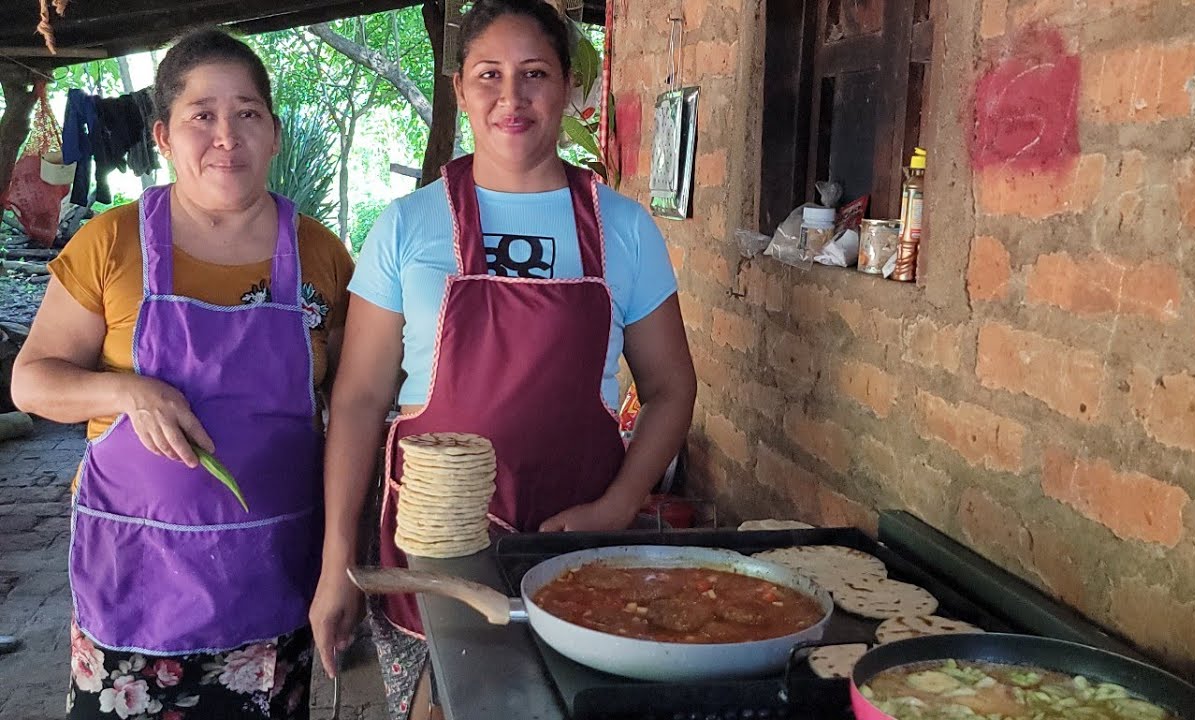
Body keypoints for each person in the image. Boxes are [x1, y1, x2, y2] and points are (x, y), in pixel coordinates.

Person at [307, 0, 697, 717]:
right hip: (432, 551)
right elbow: (359, 400)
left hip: (576, 544)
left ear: (571, 91)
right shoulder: (408, 224)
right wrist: (338, 565)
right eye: (489, 74)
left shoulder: (623, 227)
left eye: (535, 74)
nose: (511, 96)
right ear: (460, 89)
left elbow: (671, 388)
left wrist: (617, 505)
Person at [12, 29, 353, 720]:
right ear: (164, 136)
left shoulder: (319, 252)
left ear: (274, 134)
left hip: (274, 578)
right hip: (136, 582)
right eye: (203, 114)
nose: (226, 135)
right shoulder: (111, 241)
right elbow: (31, 382)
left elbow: (352, 402)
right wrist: (124, 389)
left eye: (248, 113)